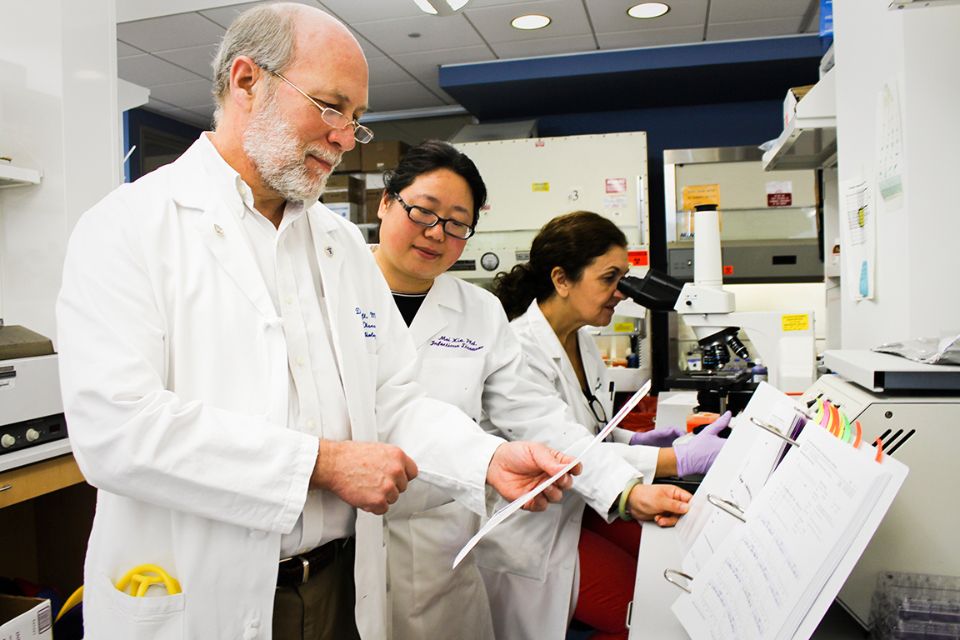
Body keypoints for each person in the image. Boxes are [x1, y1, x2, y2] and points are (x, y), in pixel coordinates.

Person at [55, 6, 580, 640]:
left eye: (355, 120)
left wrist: (487, 457)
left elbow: (393, 400)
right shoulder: (129, 226)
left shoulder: (337, 244)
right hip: (198, 596)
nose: (342, 136)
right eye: (330, 106)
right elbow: (116, 428)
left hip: (338, 588)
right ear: (247, 81)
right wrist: (319, 464)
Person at [371, 141, 697, 640]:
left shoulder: (478, 312)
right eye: (424, 211)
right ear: (387, 202)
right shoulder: (330, 291)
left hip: (446, 532)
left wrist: (627, 488)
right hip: (350, 535)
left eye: (458, 222)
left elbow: (539, 418)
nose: (438, 233)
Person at [485, 210, 731, 640]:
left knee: (670, 575)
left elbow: (585, 427)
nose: (622, 292)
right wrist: (675, 459)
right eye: (610, 278)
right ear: (562, 279)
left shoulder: (581, 338)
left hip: (579, 506)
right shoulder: (517, 349)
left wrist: (635, 439)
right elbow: (560, 445)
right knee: (649, 617)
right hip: (535, 529)